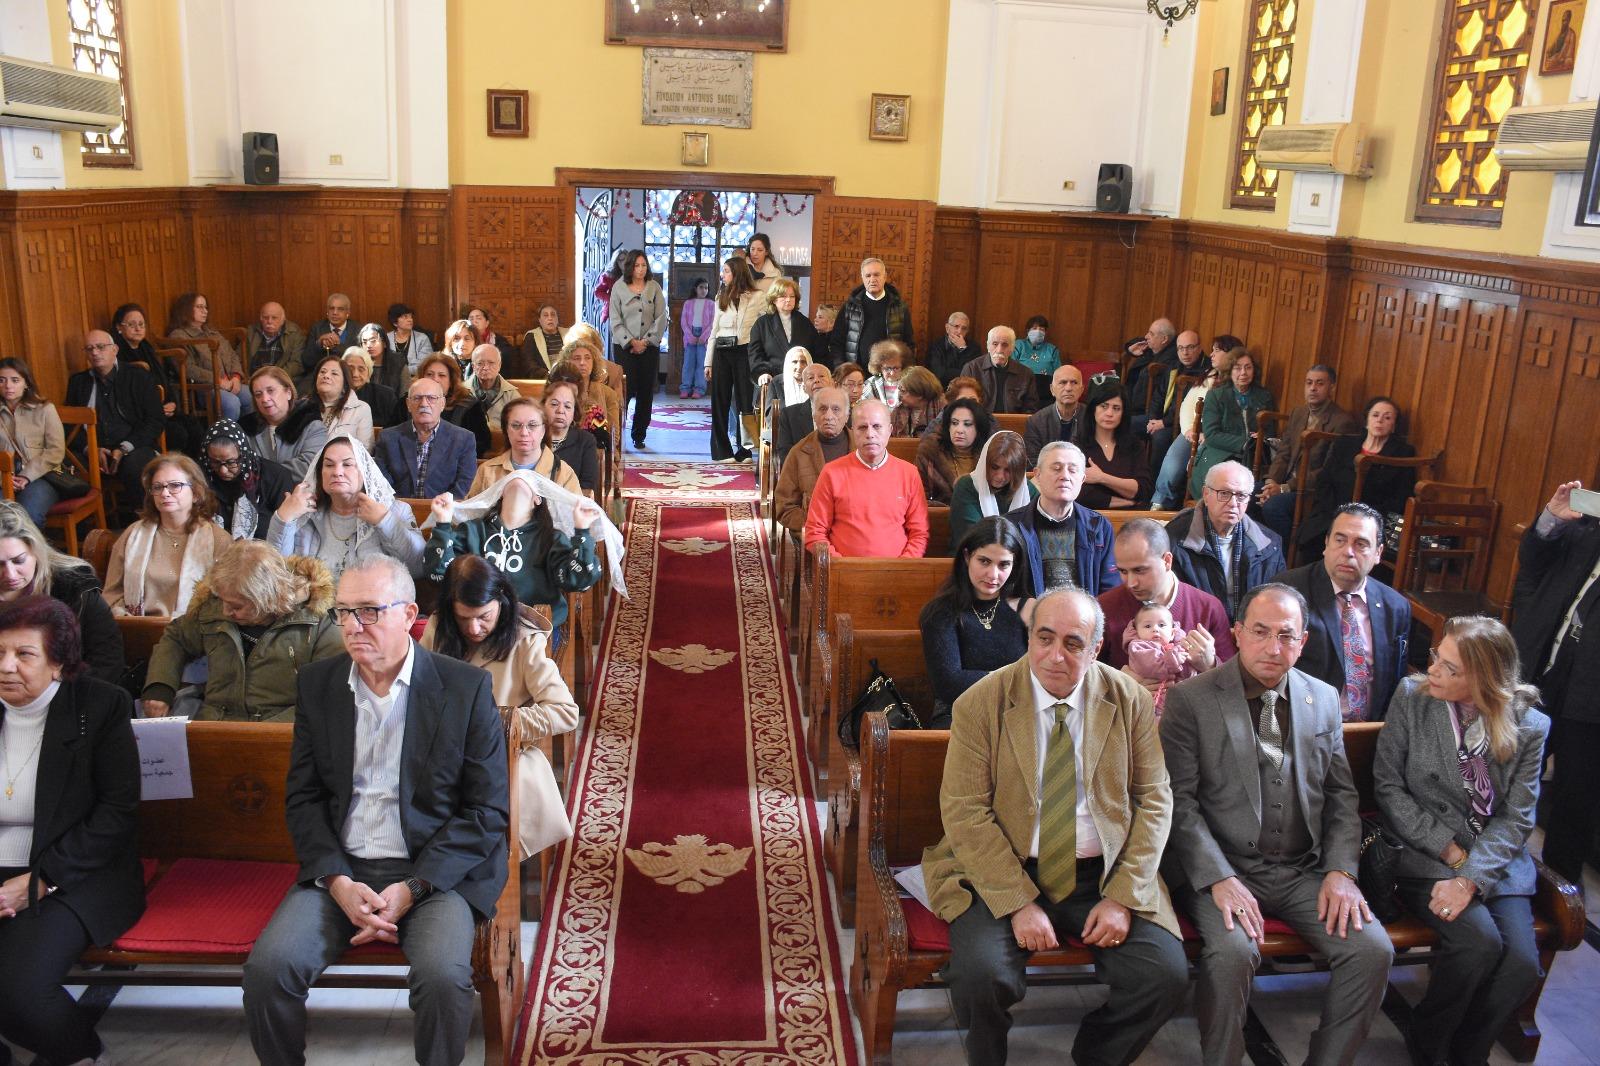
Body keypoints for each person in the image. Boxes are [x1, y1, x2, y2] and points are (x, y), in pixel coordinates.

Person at [242, 555, 509, 1066]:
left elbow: (485, 810)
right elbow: (304, 797)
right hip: (343, 868)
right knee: (268, 972)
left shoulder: (463, 689)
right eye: (342, 611)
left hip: (434, 874)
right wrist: (337, 881)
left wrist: (413, 889)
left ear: (409, 614)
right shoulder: (319, 685)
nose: (352, 625)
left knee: (443, 979)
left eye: (368, 610)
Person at [920, 587, 1189, 1066]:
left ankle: (1097, 1055)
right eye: (1044, 638)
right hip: (1002, 866)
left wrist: (1123, 895)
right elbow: (965, 810)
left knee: (1163, 975)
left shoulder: (1128, 699)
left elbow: (1154, 798)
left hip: (1102, 871)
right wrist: (1017, 901)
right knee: (981, 975)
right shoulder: (982, 702)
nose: (1055, 656)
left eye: (1073, 643)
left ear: (1096, 648)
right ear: (1029, 638)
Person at [1161, 582, 1393, 1066]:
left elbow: (1341, 796)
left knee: (1372, 950)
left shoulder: (1322, 698)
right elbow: (1178, 803)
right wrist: (1219, 878)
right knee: (1233, 954)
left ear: (1302, 641)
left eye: (1286, 635)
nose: (1273, 647)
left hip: (1302, 870)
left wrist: (1341, 872)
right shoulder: (1192, 700)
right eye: (1260, 632)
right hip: (1223, 871)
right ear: (1237, 633)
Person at [1375, 616, 1548, 1066]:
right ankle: (1428, 1041)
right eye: (1437, 657)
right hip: (1427, 854)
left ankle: (1469, 1049)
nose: (1432, 670)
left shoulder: (1529, 725)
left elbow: (1516, 817)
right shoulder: (1412, 697)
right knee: (1478, 943)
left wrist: (1469, 876)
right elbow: (1388, 788)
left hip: (1494, 863)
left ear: (1483, 679)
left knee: (1521, 965)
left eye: (1449, 668)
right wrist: (1450, 853)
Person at [0, 596, 142, 1066]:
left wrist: (41, 880)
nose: (6, 666)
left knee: (20, 990)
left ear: (58, 664)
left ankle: (83, 1054)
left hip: (76, 872)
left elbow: (116, 812)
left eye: (24, 654)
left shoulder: (100, 706)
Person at [423, 555, 578, 861]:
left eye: (484, 616)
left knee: (472, 815)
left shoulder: (523, 639)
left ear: (502, 601)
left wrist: (497, 722)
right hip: (443, 751)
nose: (474, 628)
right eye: (463, 618)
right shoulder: (439, 627)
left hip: (500, 756)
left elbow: (565, 713)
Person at [141, 541, 343, 721]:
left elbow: (324, 696)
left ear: (267, 599)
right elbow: (176, 638)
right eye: (223, 601)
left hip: (282, 732)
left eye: (236, 606)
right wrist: (160, 687)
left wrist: (260, 736)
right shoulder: (213, 609)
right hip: (215, 726)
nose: (225, 611)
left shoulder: (318, 622)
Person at [1511, 480, 1600, 888]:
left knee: (1575, 799)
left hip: (1591, 694)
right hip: (1543, 669)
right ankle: (1488, 869)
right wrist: (1551, 519)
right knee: (1506, 772)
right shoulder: (1586, 525)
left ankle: (1561, 897)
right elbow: (1532, 560)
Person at [1273, 503, 1412, 722]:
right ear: (1326, 544)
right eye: (1340, 540)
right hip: (1303, 725)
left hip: (1370, 730)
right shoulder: (1287, 591)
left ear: (1378, 553)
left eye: (1361, 544)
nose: (1348, 552)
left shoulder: (1395, 607)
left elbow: (1396, 683)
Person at [424, 471, 605, 633]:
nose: (520, 475)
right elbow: (439, 574)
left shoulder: (550, 538)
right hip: (477, 624)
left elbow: (577, 580)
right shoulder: (473, 530)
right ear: (501, 494)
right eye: (511, 478)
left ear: (537, 499)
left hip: (532, 629)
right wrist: (443, 523)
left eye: (529, 480)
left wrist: (582, 530)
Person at [919, 517, 1034, 726]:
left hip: (1018, 713)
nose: (993, 575)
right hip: (959, 713)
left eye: (1004, 565)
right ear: (966, 557)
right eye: (984, 561)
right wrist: (1016, 680)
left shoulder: (1028, 609)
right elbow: (949, 684)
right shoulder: (940, 612)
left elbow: (1041, 675)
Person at [269, 434, 426, 580]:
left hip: (371, 600)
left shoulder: (396, 510)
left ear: (364, 471)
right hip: (314, 600)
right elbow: (277, 575)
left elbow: (418, 567)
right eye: (329, 465)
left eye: (347, 464)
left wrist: (385, 521)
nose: (337, 472)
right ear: (320, 473)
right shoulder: (305, 513)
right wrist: (284, 519)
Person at [0, 502, 122, 684]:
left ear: (35, 550)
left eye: (19, 560)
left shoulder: (74, 587)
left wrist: (56, 697)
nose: (10, 574)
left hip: (71, 692)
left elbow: (107, 661)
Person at [1097, 517, 1235, 671]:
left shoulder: (1208, 607)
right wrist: (1119, 681)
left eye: (1140, 570)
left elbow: (1233, 678)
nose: (1131, 583)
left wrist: (1210, 665)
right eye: (1123, 571)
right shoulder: (1103, 608)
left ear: (1167, 561)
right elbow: (1086, 676)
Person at [104, 453, 232, 617]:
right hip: (137, 626)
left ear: (196, 493)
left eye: (175, 485)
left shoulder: (218, 540)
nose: (165, 493)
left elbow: (226, 601)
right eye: (158, 487)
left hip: (194, 628)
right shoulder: (133, 535)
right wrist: (125, 618)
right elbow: (111, 594)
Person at [804, 400, 928, 558]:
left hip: (898, 570)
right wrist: (840, 566)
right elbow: (815, 533)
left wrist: (902, 567)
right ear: (853, 431)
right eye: (862, 427)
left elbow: (919, 533)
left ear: (889, 430)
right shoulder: (831, 473)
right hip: (842, 570)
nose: (870, 434)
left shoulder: (909, 473)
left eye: (877, 426)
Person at [1296, 396, 1418, 556]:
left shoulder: (1403, 453)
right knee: (1314, 539)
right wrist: (1338, 513)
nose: (1380, 420)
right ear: (1367, 420)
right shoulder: (1345, 444)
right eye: (1375, 415)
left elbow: (1401, 497)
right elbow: (1324, 481)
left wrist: (1364, 518)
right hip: (1333, 512)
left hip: (1370, 522)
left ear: (1393, 426)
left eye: (1387, 418)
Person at [1168, 460, 1287, 623]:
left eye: (1241, 496)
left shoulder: (1269, 544)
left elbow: (1277, 601)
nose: (1232, 503)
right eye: (1224, 493)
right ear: (1206, 494)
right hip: (1196, 630)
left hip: (1249, 632)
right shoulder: (1174, 540)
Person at [1258, 364, 1361, 545]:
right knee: (1247, 494)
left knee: (1273, 507)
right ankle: (1259, 550)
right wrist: (1271, 482)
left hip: (1309, 490)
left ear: (1332, 387)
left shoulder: (1342, 422)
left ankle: (1287, 552)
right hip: (1283, 483)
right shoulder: (1298, 412)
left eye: (1319, 383)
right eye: (1309, 383)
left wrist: (1284, 488)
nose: (1313, 388)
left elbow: (1326, 471)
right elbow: (1284, 452)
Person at [64, 330, 165, 508]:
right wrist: (90, 449)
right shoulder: (78, 382)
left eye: (100, 347)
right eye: (89, 349)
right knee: (62, 465)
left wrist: (123, 448)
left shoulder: (138, 376)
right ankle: (90, 521)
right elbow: (69, 426)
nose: (95, 353)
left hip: (134, 445)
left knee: (135, 466)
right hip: (94, 449)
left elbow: (155, 421)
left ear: (115, 349)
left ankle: (145, 517)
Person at [1006, 442, 1120, 597]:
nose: (1065, 476)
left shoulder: (1099, 526)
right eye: (1056, 468)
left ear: (1082, 479)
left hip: (1086, 612)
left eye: (1072, 470)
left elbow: (1110, 589)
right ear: (1037, 475)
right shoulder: (1012, 526)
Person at [1152, 337, 1241, 510]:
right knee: (1173, 462)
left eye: (1217, 350)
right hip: (1193, 429)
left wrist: (1207, 435)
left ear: (1231, 354)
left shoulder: (1237, 383)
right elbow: (1187, 404)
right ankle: (1159, 503)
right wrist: (1188, 430)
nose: (1212, 354)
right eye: (1212, 350)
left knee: (1197, 467)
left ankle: (1197, 509)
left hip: (1214, 436)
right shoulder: (1209, 375)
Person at [1188, 349, 1273, 502]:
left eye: (1248, 367)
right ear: (1229, 371)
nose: (1243, 372)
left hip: (1254, 457)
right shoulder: (1216, 395)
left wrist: (1262, 437)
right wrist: (1245, 443)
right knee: (1227, 481)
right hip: (1219, 453)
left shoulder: (1264, 396)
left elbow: (1271, 430)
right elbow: (1212, 435)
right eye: (1238, 368)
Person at [374, 376, 477, 500]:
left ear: (442, 403)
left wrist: (443, 505)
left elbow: (464, 482)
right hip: (397, 508)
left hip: (444, 508)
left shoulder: (464, 439)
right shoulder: (387, 438)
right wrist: (398, 507)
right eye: (417, 398)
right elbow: (382, 481)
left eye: (431, 398)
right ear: (408, 404)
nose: (423, 404)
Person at [113, 302, 197, 453]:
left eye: (141, 324)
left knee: (194, 425)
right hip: (144, 416)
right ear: (119, 327)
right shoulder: (117, 353)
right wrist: (157, 409)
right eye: (132, 324)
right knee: (179, 433)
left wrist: (172, 402)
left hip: (162, 408)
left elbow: (163, 379)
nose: (138, 328)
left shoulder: (146, 347)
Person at [607, 250, 668, 449]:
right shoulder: (618, 287)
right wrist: (631, 341)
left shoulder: (654, 287)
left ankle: (639, 434)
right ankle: (618, 432)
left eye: (643, 265)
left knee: (645, 390)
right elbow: (615, 319)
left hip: (648, 347)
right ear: (629, 267)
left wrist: (645, 342)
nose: (640, 269)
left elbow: (661, 317)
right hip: (624, 347)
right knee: (626, 389)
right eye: (636, 266)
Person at [201, 418, 297, 540]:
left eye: (231, 462)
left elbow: (286, 529)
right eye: (215, 462)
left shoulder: (275, 477)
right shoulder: (202, 479)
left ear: (243, 454)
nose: (223, 470)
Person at [775, 386, 852, 537]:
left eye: (836, 409)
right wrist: (815, 526)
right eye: (822, 409)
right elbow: (784, 506)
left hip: (857, 533)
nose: (828, 416)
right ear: (814, 415)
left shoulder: (863, 450)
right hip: (816, 534)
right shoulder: (799, 453)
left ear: (847, 416)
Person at [707, 256, 762, 463]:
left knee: (745, 402)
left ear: (737, 273)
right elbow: (714, 330)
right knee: (720, 401)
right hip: (722, 351)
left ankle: (745, 450)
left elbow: (764, 325)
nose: (723, 275)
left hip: (745, 352)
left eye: (727, 271)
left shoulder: (757, 296)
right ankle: (721, 450)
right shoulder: (721, 296)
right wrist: (708, 362)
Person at [0, 358, 66, 526]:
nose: (8, 386)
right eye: (2, 380)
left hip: (41, 476)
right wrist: (4, 479)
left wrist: (26, 476)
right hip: (4, 478)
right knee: (3, 516)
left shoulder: (45, 409)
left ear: (26, 383)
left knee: (28, 515)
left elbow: (56, 451)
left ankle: (29, 544)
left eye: (15, 380)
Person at [470, 397, 580, 497]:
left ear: (543, 430)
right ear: (506, 430)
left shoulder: (563, 473)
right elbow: (470, 511)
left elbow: (576, 512)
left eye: (532, 425)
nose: (524, 433)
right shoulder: (487, 471)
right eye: (516, 425)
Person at [1073, 375, 1151, 510]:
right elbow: (1079, 492)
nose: (1109, 413)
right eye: (1104, 406)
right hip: (1090, 516)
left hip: (1130, 518)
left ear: (1123, 413)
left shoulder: (1134, 445)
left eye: (1116, 408)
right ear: (1093, 410)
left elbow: (1143, 489)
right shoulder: (1078, 445)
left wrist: (1101, 478)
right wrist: (1126, 500)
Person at [949, 430, 1036, 550]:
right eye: (995, 467)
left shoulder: (1028, 491)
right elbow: (973, 537)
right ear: (985, 463)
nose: (1000, 476)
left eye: (1008, 470)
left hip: (1016, 558)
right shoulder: (967, 486)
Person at [166, 291, 247, 422]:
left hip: (230, 382)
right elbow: (189, 369)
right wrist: (218, 381)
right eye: (199, 307)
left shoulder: (212, 332)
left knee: (253, 397)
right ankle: (224, 435)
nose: (205, 311)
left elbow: (232, 355)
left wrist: (236, 377)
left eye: (205, 307)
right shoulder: (178, 336)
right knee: (231, 403)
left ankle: (245, 434)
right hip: (204, 389)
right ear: (186, 309)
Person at [1139, 329, 1207, 474]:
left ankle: (1152, 479)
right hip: (1161, 419)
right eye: (1181, 348)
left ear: (1199, 348)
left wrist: (1163, 423)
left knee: (1160, 437)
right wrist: (1153, 419)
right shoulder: (1174, 366)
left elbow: (1187, 407)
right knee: (1128, 424)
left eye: (1190, 347)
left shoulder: (1206, 372)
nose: (1185, 353)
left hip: (1181, 424)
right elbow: (1158, 395)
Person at [245, 367, 328, 480]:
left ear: (288, 393)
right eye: (258, 394)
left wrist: (261, 473)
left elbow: (310, 466)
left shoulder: (313, 427)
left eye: (270, 391)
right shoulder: (246, 430)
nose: (264, 399)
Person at [833, 257, 913, 367]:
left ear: (885, 277)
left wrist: (904, 370)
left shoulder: (899, 307)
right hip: (855, 372)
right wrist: (842, 368)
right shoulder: (850, 307)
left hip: (889, 372)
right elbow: (836, 342)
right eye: (868, 275)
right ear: (862, 278)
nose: (872, 279)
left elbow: (908, 344)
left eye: (876, 275)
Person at [1121, 602, 1199, 714]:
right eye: (1148, 626)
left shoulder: (1178, 647)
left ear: (1172, 633)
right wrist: (1174, 658)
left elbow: (1190, 673)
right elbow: (1153, 666)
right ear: (1137, 632)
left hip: (1178, 703)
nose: (1155, 629)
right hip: (1151, 704)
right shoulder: (1138, 647)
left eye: (1161, 625)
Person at [749, 278, 821, 399]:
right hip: (774, 380)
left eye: (792, 296)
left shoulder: (805, 323)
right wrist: (762, 372)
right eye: (783, 296)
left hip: (801, 382)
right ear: (774, 299)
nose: (788, 300)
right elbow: (755, 354)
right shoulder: (762, 324)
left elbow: (818, 351)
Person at [414, 352, 491, 458]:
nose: (435, 379)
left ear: (451, 380)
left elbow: (481, 444)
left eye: (442, 375)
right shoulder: (407, 402)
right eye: (429, 374)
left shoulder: (469, 406)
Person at [916, 398, 991, 505]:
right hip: (939, 513)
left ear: (979, 428)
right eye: (954, 423)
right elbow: (919, 496)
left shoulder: (989, 454)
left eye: (967, 424)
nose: (959, 430)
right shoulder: (930, 451)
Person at [772, 362, 834, 472]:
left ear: (832, 384)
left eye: (821, 376)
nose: (816, 380)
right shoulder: (789, 415)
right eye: (811, 378)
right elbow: (785, 452)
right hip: (803, 473)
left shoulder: (846, 413)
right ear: (804, 388)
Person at [960, 326, 1034, 415]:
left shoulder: (1026, 374)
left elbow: (1030, 409)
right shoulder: (971, 369)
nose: (999, 350)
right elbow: (963, 404)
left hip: (1013, 422)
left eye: (1005, 345)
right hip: (979, 421)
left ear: (1012, 348)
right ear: (988, 346)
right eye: (995, 344)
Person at [544, 380, 601, 495]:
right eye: (554, 404)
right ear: (543, 407)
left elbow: (587, 487)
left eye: (567, 406)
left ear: (574, 413)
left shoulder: (585, 441)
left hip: (572, 502)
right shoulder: (532, 437)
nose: (560, 411)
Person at [309, 354, 375, 450]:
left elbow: (365, 450)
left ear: (345, 384)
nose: (326, 376)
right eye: (322, 372)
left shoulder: (361, 409)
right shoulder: (304, 406)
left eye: (334, 373)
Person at [1023, 364, 1084, 466]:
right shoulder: (1036, 422)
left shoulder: (1091, 418)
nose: (1068, 388)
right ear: (1052, 389)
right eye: (1063, 382)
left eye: (1074, 382)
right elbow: (1032, 463)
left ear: (1081, 389)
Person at [244, 301, 309, 390]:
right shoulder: (251, 332)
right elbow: (240, 357)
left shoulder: (294, 333)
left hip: (281, 381)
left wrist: (274, 377)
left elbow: (297, 364)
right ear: (261, 318)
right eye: (266, 317)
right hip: (254, 381)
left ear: (282, 320)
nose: (269, 321)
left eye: (274, 318)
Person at [1121, 318, 1177, 414]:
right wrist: (1129, 350)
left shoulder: (1169, 358)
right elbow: (1136, 341)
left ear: (1164, 339)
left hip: (1144, 410)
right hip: (1130, 402)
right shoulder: (1153, 347)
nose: (1146, 336)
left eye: (1151, 334)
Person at [464, 344, 522, 434]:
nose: (486, 368)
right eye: (480, 363)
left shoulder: (512, 395)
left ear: (499, 365)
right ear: (473, 366)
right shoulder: (462, 392)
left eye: (491, 363)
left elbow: (519, 426)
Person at [344, 347, 403, 429]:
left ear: (369, 372)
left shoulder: (386, 395)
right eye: (350, 369)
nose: (355, 374)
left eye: (361, 369)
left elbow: (398, 428)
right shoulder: (333, 394)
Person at [1012, 315, 1061, 408]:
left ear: (1045, 332)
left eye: (1042, 329)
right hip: (1022, 387)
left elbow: (1058, 373)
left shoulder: (1052, 349)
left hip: (1045, 390)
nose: (1038, 331)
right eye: (1034, 328)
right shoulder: (1019, 345)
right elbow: (1011, 367)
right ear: (1028, 331)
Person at [303, 292, 360, 369]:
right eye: (331, 308)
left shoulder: (357, 330)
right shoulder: (317, 328)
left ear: (348, 312)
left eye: (340, 309)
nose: (335, 313)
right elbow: (307, 361)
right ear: (327, 311)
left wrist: (335, 345)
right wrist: (319, 344)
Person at [678, 281, 714, 398]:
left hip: (705, 337)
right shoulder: (688, 303)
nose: (704, 290)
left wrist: (704, 336)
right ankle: (685, 388)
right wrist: (690, 335)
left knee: (702, 364)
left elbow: (713, 323)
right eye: (701, 287)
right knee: (688, 364)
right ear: (695, 288)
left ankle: (699, 389)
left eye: (706, 288)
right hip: (690, 336)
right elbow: (683, 321)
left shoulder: (711, 304)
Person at [890, 365, 944, 438]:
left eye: (903, 391)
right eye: (899, 390)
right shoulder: (897, 409)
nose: (899, 395)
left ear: (918, 393)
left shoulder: (941, 406)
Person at [358, 322, 409, 399]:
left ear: (384, 343)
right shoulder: (358, 365)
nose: (368, 345)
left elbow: (405, 395)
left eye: (373, 341)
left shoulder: (398, 363)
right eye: (364, 342)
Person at [926, 311, 977, 387]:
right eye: (956, 326)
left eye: (964, 328)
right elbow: (940, 374)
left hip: (964, 389)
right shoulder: (935, 347)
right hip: (940, 389)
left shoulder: (974, 348)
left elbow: (972, 373)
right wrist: (962, 373)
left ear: (967, 331)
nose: (959, 332)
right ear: (947, 328)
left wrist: (963, 349)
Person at [387, 302, 434, 379]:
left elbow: (425, 365)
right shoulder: (387, 338)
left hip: (416, 379)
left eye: (411, 317)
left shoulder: (422, 338)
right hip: (391, 380)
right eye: (405, 317)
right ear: (395, 323)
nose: (410, 320)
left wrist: (399, 371)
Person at [522, 303, 566, 380]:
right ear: (539, 320)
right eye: (546, 315)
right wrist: (548, 375)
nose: (550, 318)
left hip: (567, 376)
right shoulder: (532, 336)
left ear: (557, 319)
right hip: (544, 379)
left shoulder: (568, 333)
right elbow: (529, 364)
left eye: (553, 315)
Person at [864, 339, 909, 408]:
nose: (892, 373)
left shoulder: (909, 383)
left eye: (896, 368)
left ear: (903, 366)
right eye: (887, 368)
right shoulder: (871, 384)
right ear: (879, 367)